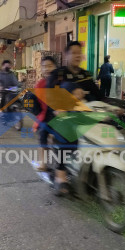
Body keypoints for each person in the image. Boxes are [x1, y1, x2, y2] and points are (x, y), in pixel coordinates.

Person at [47, 41, 102, 195]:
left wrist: (114, 106)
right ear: (66, 55)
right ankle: (60, 175)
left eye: (80, 53)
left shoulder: (85, 75)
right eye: (74, 53)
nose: (78, 56)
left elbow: (98, 96)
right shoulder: (58, 74)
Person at [33, 56, 57, 171]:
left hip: (63, 115)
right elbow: (36, 104)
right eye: (44, 66)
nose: (47, 69)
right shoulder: (40, 84)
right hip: (46, 116)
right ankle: (43, 163)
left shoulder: (61, 82)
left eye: (49, 66)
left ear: (55, 67)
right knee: (43, 133)